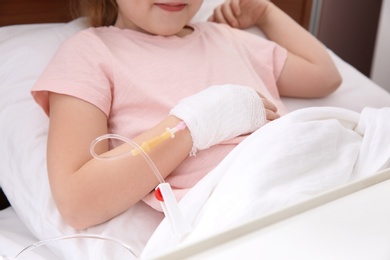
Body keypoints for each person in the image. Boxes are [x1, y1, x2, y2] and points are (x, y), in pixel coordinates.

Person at [31, 0, 342, 230]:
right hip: (250, 208)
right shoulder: (90, 52)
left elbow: (325, 77)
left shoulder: (225, 37)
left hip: (325, 174)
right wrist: (199, 122)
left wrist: (266, 13)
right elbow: (77, 203)